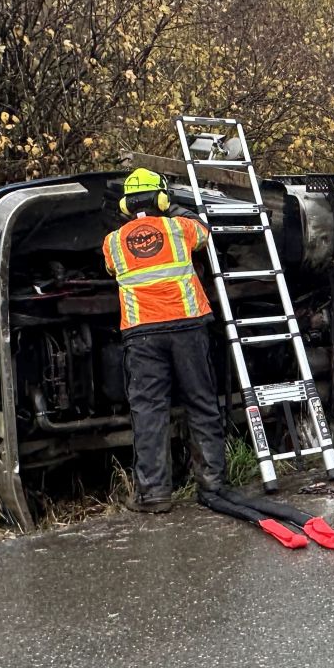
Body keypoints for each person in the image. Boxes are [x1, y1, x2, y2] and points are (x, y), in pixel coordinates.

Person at [103, 168, 226, 512]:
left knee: (149, 412)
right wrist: (173, 208)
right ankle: (213, 485)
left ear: (125, 205)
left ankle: (154, 494)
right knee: (201, 403)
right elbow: (204, 233)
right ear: (162, 198)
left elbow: (112, 269)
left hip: (142, 334)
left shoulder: (112, 242)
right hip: (187, 327)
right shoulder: (179, 228)